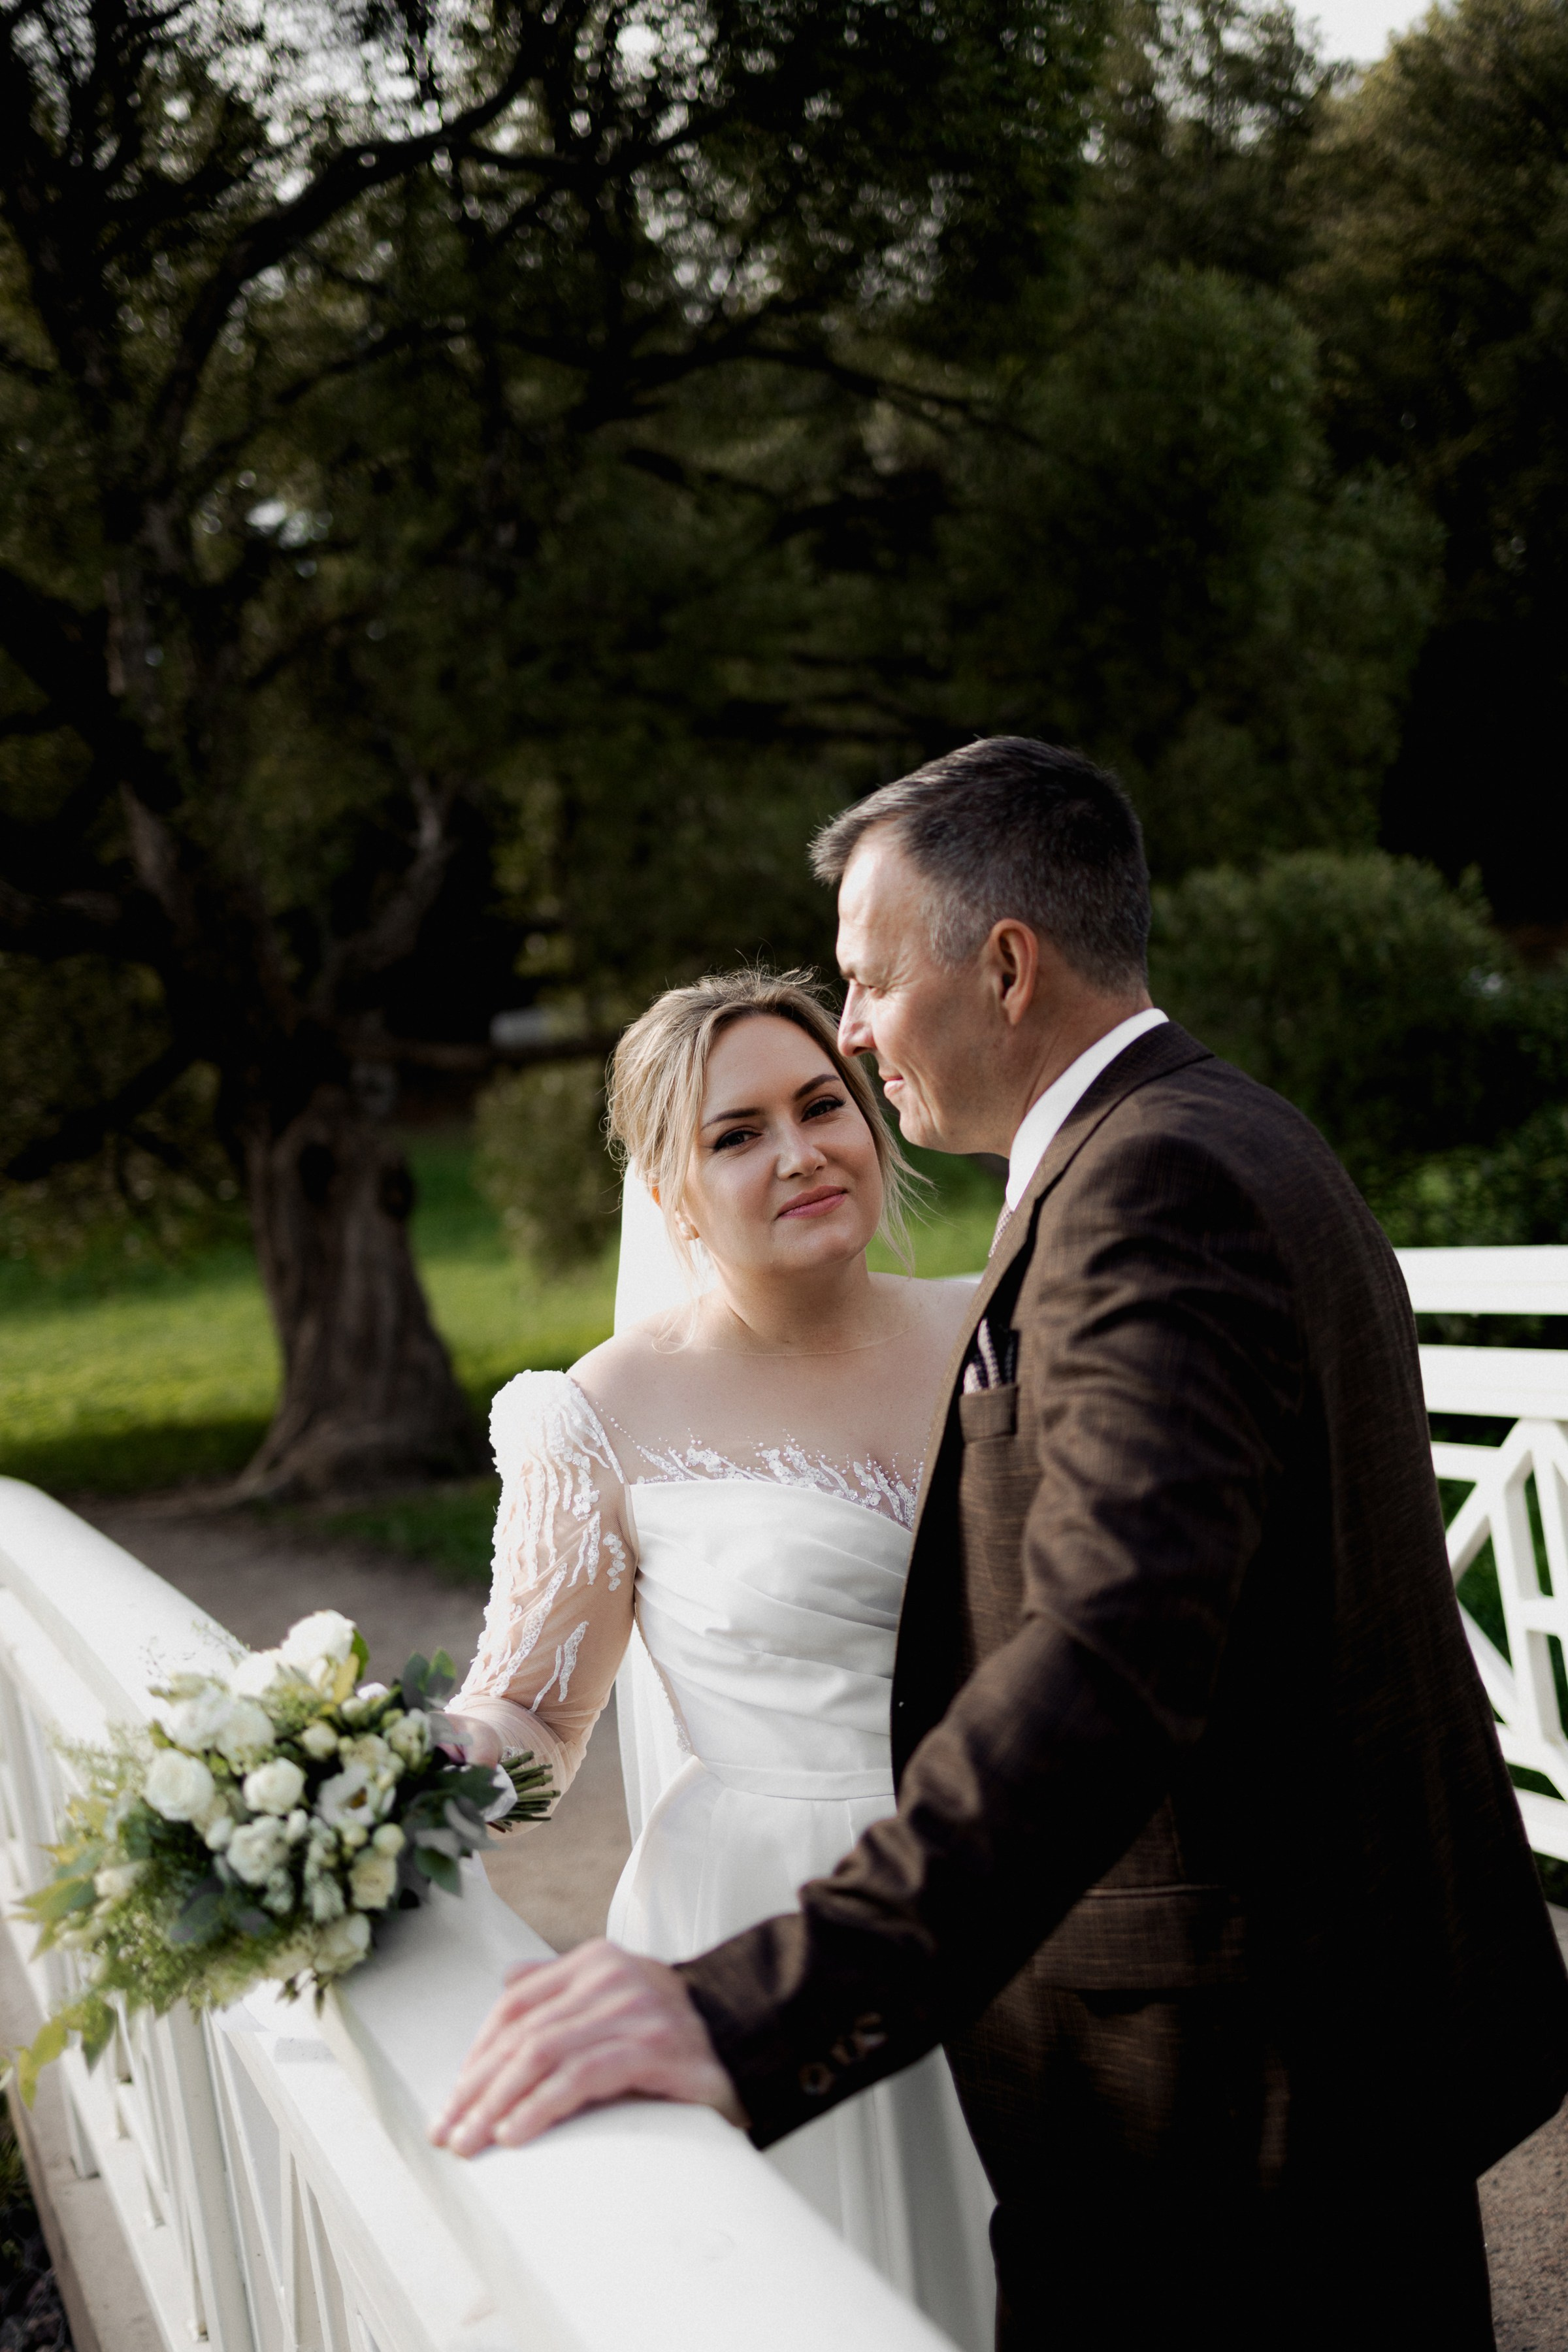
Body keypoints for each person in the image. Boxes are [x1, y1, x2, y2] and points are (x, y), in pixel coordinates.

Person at [434, 737, 1568, 2352]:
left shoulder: (1146, 1195)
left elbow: (1110, 1654)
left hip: (1226, 2072)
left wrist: (763, 2005)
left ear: (1009, 965)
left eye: (867, 986)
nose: (852, 1033)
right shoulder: (1237, 1136)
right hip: (1316, 2021)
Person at [440, 968, 996, 2350]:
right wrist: (394, 1777)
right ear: (670, 1190)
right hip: (758, 1920)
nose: (800, 1151)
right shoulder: (603, 1412)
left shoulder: (1005, 1323)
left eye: (823, 1105)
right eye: (735, 1134)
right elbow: (531, 1711)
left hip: (1008, 1874)